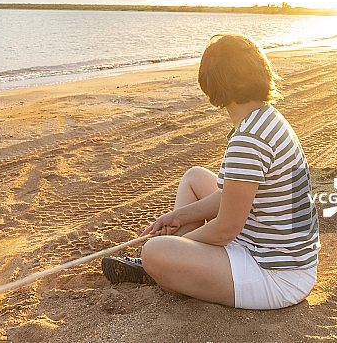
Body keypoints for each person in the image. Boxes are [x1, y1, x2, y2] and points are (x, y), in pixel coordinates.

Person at [101, 34, 319, 309]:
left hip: (277, 275)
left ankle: (170, 270)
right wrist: (176, 216)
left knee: (154, 253)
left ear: (212, 87)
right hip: (276, 253)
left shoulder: (249, 140)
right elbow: (233, 195)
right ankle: (182, 266)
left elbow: (226, 229)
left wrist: (180, 246)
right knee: (194, 178)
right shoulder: (265, 117)